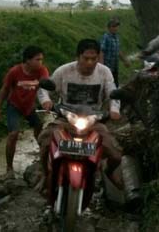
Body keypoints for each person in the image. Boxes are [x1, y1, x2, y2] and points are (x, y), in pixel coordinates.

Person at [36, 39, 122, 188]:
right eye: (86, 58)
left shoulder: (104, 72)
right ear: (78, 57)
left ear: (98, 57)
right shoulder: (64, 71)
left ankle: (108, 171)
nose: (89, 63)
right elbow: (44, 88)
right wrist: (46, 101)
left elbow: (112, 92)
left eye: (93, 59)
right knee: (44, 142)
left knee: (115, 155)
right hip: (66, 118)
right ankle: (45, 174)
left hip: (93, 120)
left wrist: (114, 110)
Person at [0, 46, 50, 177]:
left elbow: (45, 82)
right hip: (14, 106)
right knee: (13, 134)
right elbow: (5, 89)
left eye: (41, 59)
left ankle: (44, 157)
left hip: (29, 106)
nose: (41, 62)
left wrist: (46, 98)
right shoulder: (14, 72)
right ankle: (9, 168)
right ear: (27, 60)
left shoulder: (41, 70)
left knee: (39, 128)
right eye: (38, 59)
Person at [99, 18, 130, 87]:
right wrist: (101, 65)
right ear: (109, 28)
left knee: (115, 83)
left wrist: (125, 60)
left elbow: (118, 51)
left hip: (115, 66)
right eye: (113, 26)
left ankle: (114, 97)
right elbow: (101, 51)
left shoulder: (116, 37)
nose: (115, 28)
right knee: (107, 84)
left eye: (116, 26)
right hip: (107, 66)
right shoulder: (106, 37)